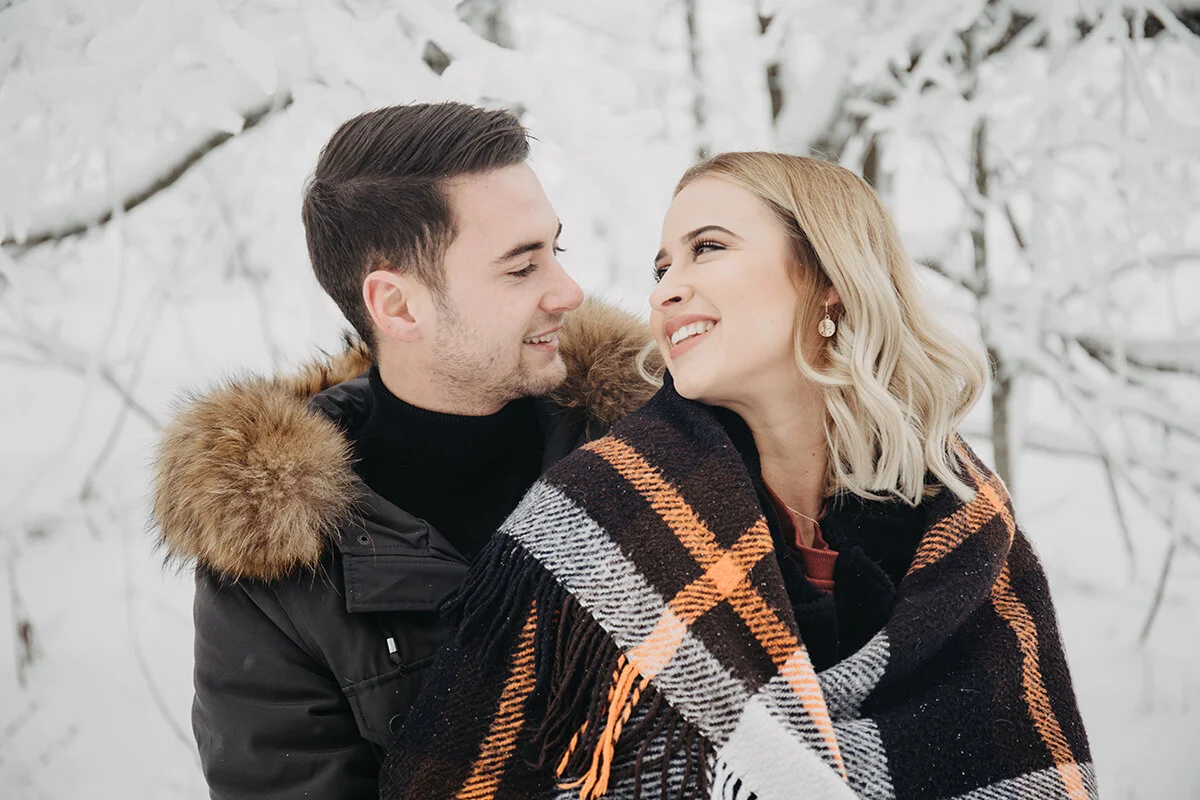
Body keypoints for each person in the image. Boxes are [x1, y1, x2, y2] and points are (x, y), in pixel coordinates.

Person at [380, 152, 1096, 800]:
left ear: (829, 279)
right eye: (662, 269)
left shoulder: (967, 525)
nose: (665, 292)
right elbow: (445, 779)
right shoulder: (603, 520)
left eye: (708, 249)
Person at [151, 102, 656, 800]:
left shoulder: (653, 444)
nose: (567, 292)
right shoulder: (278, 580)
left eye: (555, 251)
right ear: (397, 306)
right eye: (521, 268)